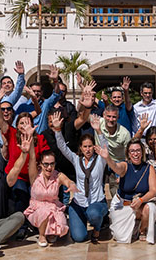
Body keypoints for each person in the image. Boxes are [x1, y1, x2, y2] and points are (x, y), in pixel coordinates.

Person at [51, 93, 109, 243]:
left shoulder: (100, 160)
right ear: (81, 148)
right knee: (79, 237)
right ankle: (79, 220)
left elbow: (105, 149)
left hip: (96, 202)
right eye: (85, 147)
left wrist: (99, 131)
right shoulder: (77, 160)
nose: (88, 149)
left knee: (94, 213)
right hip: (79, 203)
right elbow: (62, 147)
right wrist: (57, 130)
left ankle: (97, 228)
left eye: (90, 146)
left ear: (93, 147)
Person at [101, 138, 156, 244]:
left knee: (150, 208)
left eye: (138, 150)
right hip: (123, 204)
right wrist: (108, 158)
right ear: (128, 153)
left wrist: (141, 200)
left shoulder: (149, 168)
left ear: (142, 152)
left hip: (140, 205)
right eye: (132, 151)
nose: (135, 154)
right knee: (120, 238)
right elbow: (116, 167)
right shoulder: (125, 166)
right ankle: (134, 224)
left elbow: (153, 190)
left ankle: (142, 229)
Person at [25, 148, 78, 246]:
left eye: (52, 164)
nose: (49, 167)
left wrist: (71, 185)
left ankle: (50, 231)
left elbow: (68, 181)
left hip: (53, 207)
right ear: (41, 164)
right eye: (46, 164)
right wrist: (30, 144)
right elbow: (32, 157)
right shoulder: (35, 175)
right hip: (37, 208)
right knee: (45, 212)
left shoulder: (58, 175)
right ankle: (42, 235)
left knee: (62, 227)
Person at [94, 104, 131, 198]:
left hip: (117, 160)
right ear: (104, 115)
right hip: (101, 158)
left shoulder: (124, 133)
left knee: (116, 186)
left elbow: (129, 155)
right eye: (108, 116)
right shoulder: (98, 122)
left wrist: (124, 172)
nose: (111, 119)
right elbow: (82, 116)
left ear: (118, 117)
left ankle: (118, 201)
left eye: (114, 117)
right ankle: (99, 201)